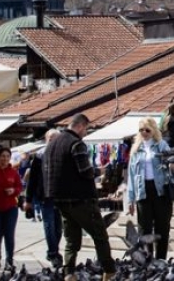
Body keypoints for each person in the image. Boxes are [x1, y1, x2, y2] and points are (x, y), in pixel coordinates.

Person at [44, 114, 116, 281]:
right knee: (100, 235)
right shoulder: (76, 143)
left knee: (71, 240)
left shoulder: (52, 144)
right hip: (81, 199)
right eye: (86, 129)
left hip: (59, 199)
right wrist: (99, 171)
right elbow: (85, 171)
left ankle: (69, 273)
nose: (85, 133)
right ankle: (109, 271)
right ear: (81, 126)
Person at [126, 117, 174, 260]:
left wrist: (172, 164)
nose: (144, 133)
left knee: (162, 227)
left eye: (147, 130)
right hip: (142, 191)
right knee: (144, 229)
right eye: (141, 130)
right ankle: (147, 260)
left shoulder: (161, 145)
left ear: (153, 130)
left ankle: (161, 259)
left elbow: (172, 161)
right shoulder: (136, 149)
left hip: (160, 190)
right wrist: (130, 199)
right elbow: (131, 175)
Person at [25, 129, 62, 268]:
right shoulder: (39, 156)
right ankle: (53, 253)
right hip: (45, 196)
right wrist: (28, 199)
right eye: (50, 138)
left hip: (59, 197)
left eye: (56, 138)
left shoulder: (64, 155)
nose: (53, 141)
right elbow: (32, 179)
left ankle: (53, 251)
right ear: (46, 140)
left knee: (58, 228)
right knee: (49, 225)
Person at [0, 147, 21, 270]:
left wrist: (14, 190)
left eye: (7, 156)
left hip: (11, 207)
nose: (5, 159)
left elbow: (19, 187)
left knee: (9, 234)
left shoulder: (13, 172)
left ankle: (9, 260)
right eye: (3, 156)